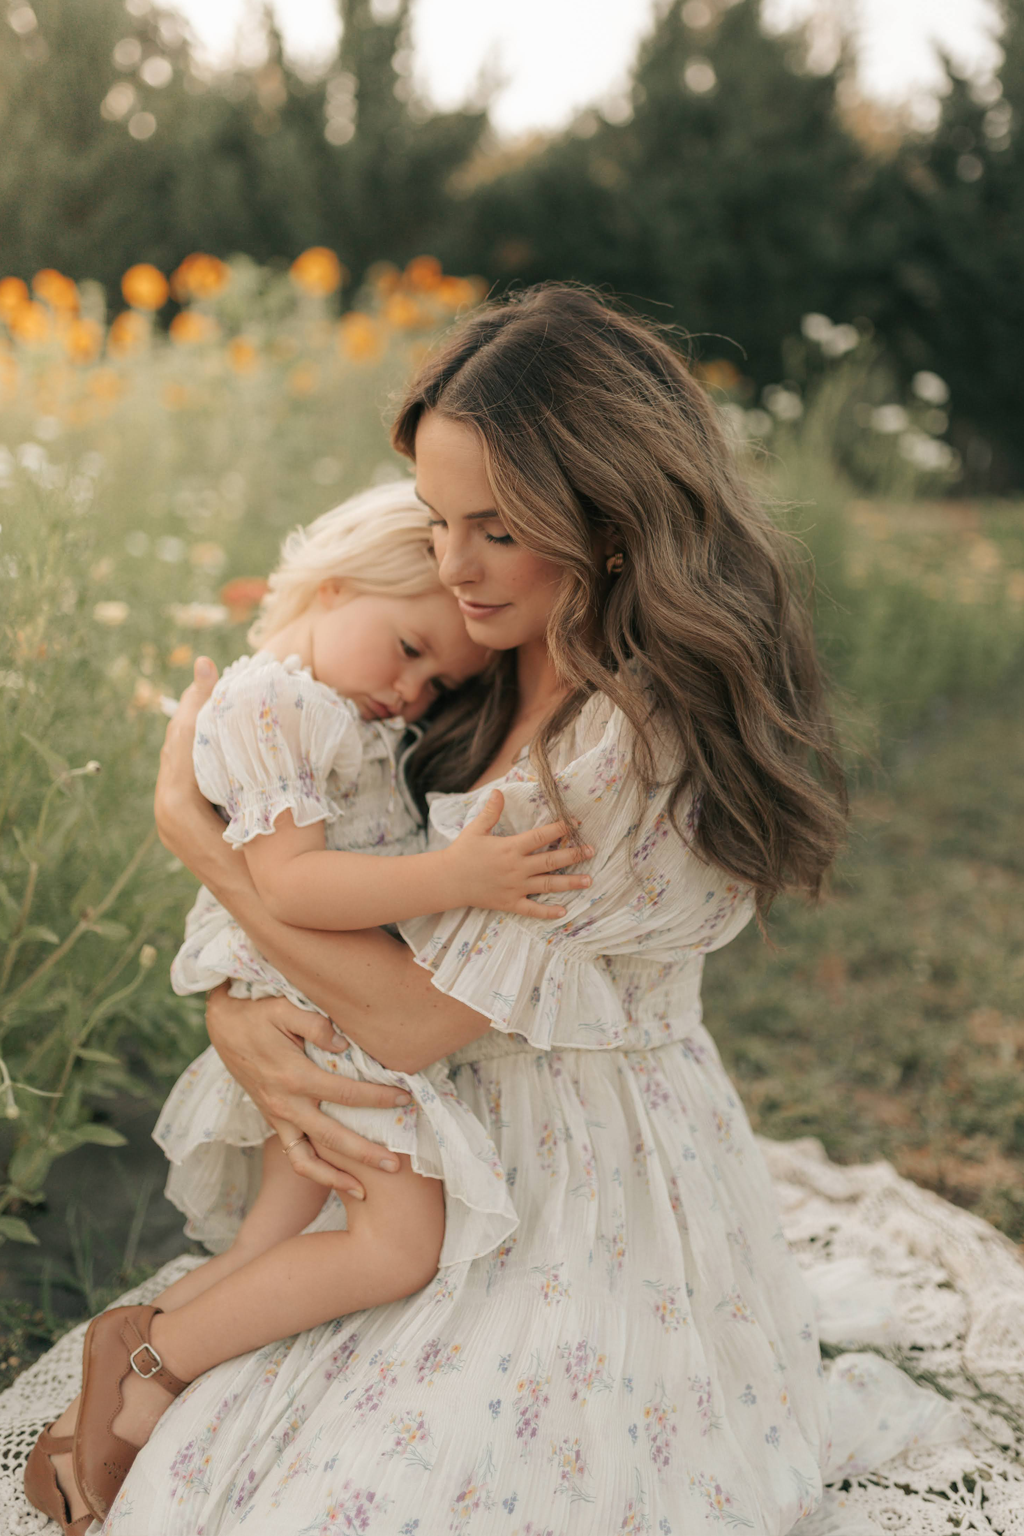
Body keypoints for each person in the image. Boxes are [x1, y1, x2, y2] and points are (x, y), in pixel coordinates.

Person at [108, 283, 854, 1534]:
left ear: (608, 522)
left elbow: (409, 1021)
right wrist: (235, 1008)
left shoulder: (623, 741)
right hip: (418, 1142)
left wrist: (198, 841)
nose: (454, 567)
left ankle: (157, 1352)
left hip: (578, 1182)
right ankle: (155, 1353)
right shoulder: (465, 657)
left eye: (497, 528)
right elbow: (347, 888)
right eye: (437, 520)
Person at [24, 481, 593, 1532]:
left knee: (268, 1250)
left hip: (322, 1001)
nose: (414, 691)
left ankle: (120, 1380)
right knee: (395, 1242)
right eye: (411, 648)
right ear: (337, 586)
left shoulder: (328, 710)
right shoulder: (274, 703)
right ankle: (151, 1360)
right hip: (320, 1013)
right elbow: (292, 887)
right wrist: (463, 877)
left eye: (438, 681)